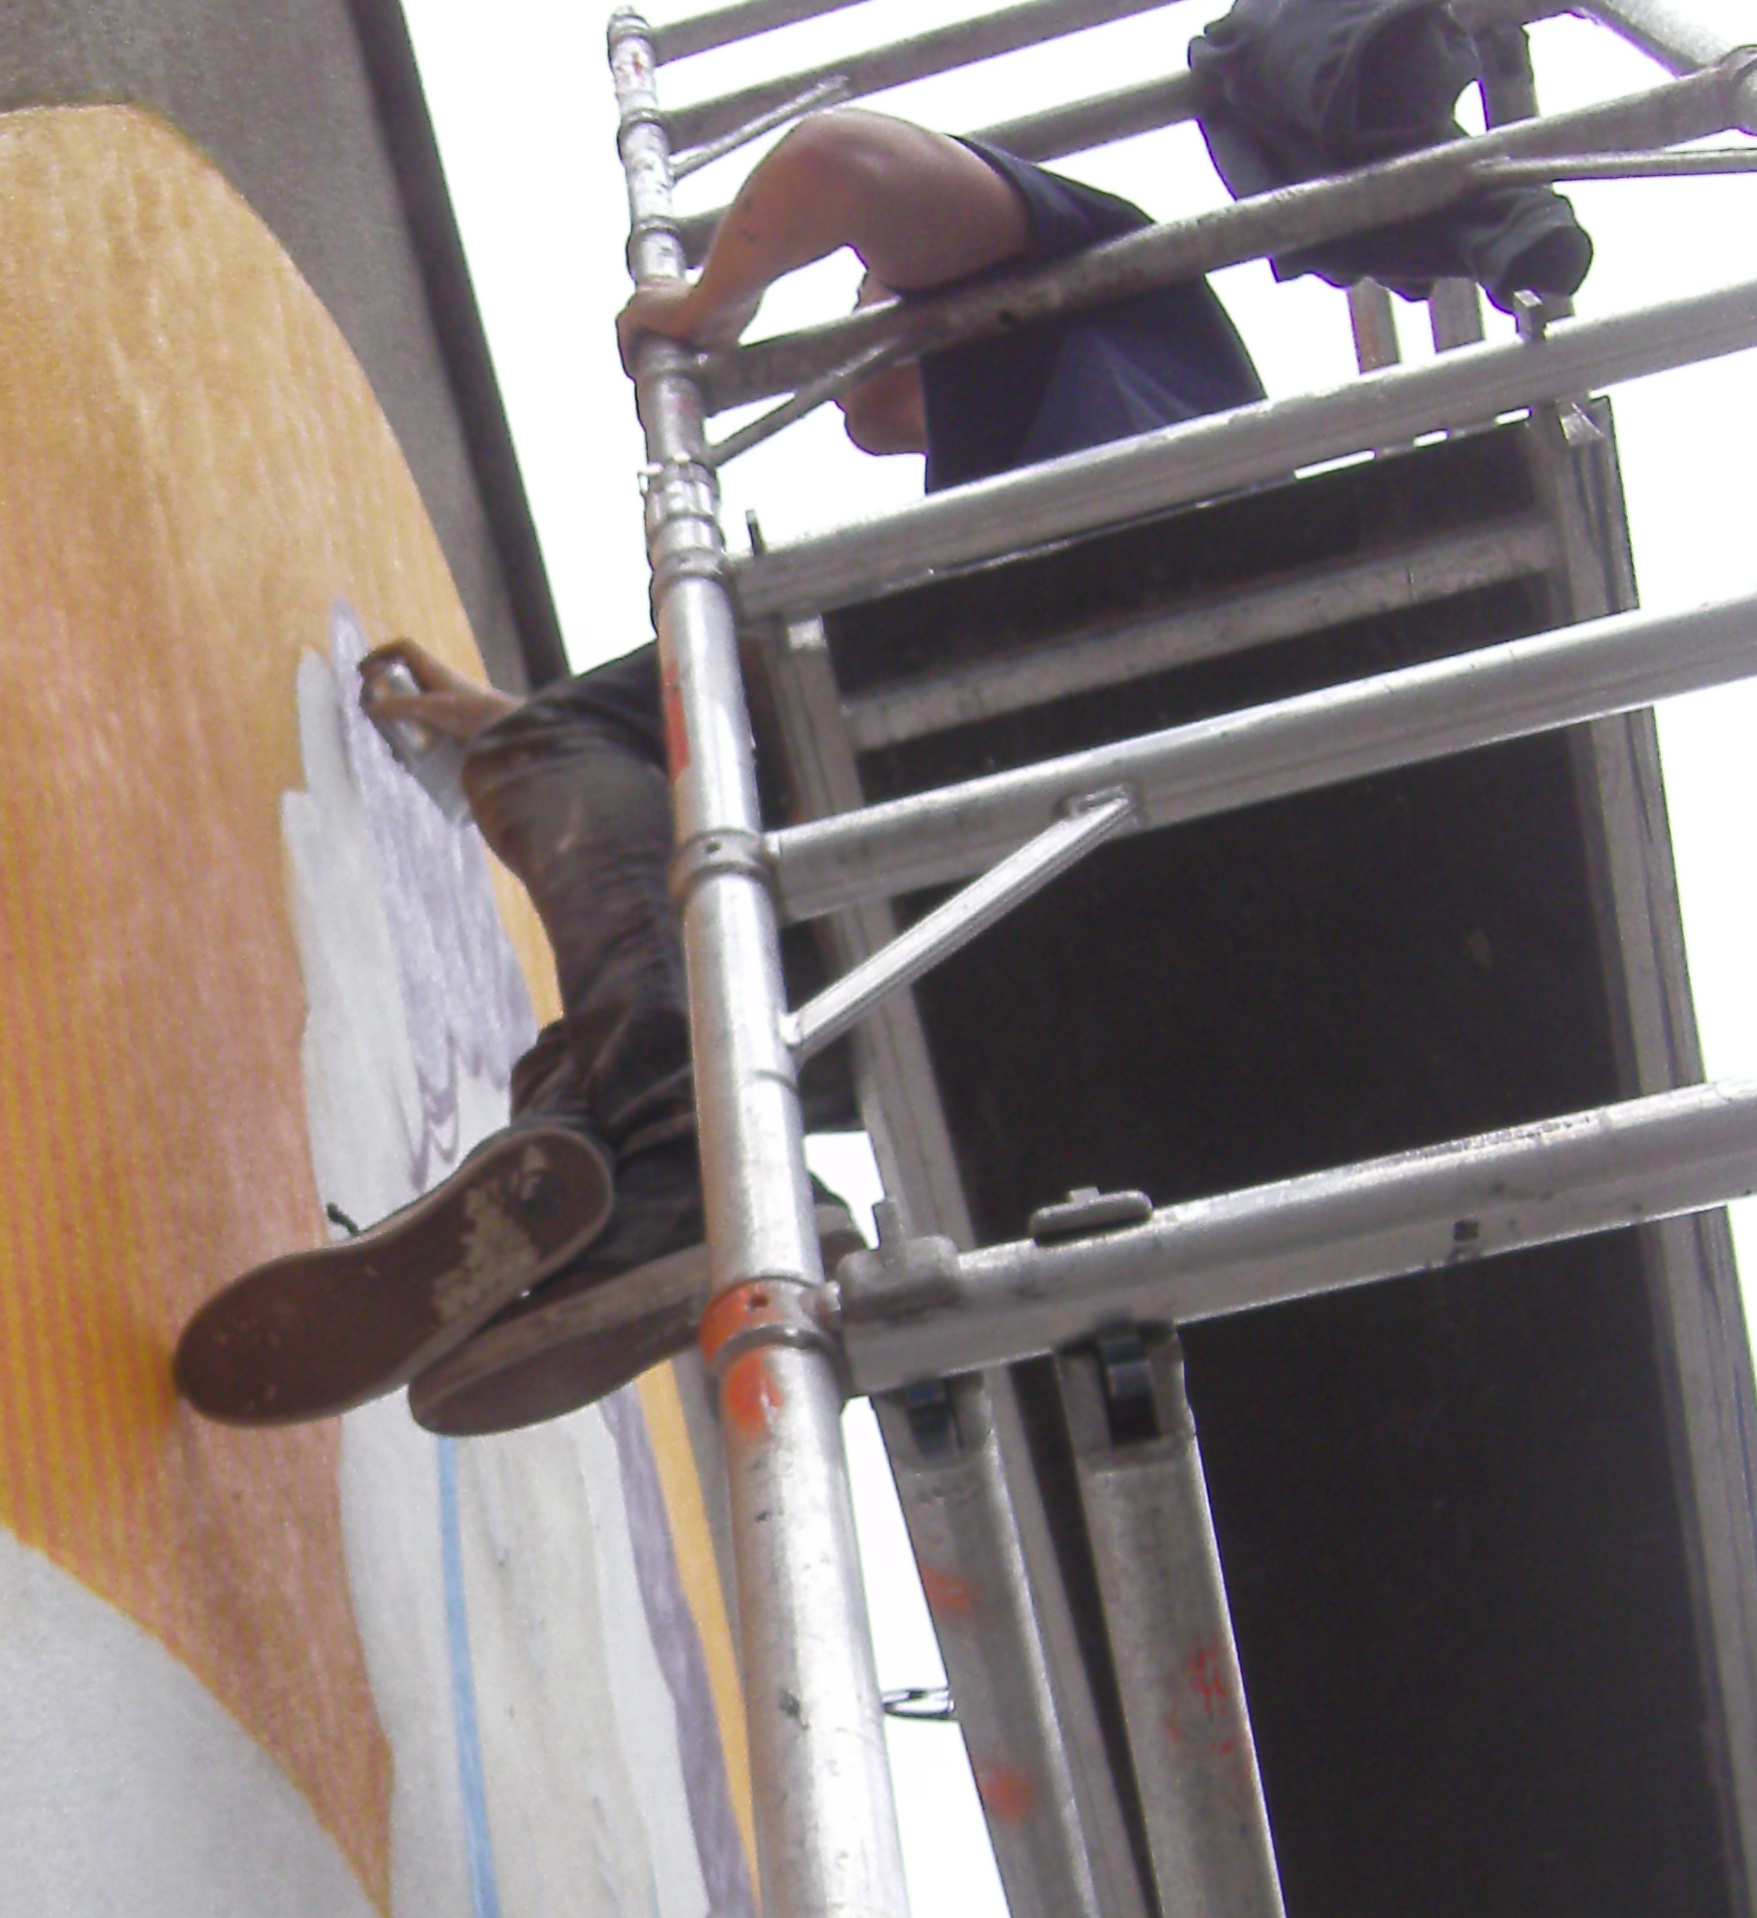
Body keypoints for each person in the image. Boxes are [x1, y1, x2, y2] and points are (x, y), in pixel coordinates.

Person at [173, 107, 1262, 1439]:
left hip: (1078, 657)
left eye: (868, 299)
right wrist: (512, 725)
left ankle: (682, 1172)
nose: (855, 330)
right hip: (1051, 898)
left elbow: (841, 163)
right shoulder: (1061, 423)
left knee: (629, 913)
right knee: (675, 993)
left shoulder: (1088, 280)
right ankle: (634, 1184)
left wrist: (708, 304)